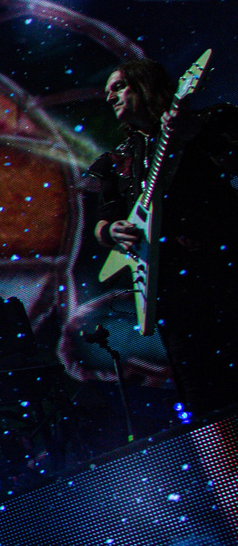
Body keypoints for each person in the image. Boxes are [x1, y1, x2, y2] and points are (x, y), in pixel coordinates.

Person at [88, 57, 238, 421]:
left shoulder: (208, 122)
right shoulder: (116, 162)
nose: (110, 96)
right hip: (172, 291)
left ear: (146, 85)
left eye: (119, 86)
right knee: (204, 396)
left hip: (226, 268)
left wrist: (198, 136)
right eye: (108, 91)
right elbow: (103, 219)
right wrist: (111, 231)